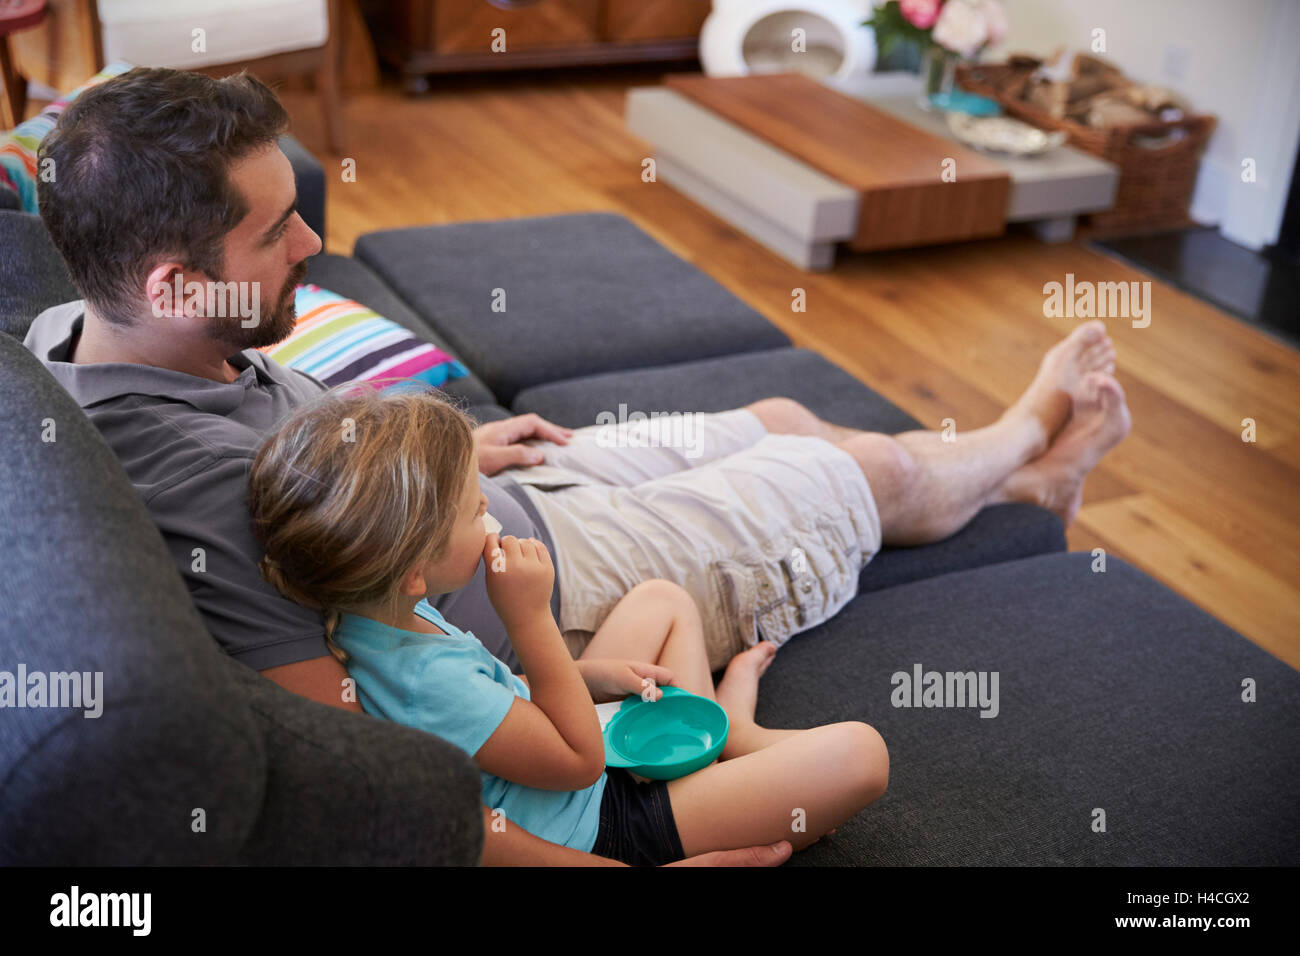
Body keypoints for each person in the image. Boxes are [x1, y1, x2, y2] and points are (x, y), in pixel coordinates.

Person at [24, 67, 1129, 863]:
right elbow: (359, 745)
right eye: (277, 235)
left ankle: (1021, 488)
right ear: (175, 285)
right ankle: (1020, 444)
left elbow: (337, 464)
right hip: (531, 561)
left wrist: (451, 444)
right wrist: (524, 610)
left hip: (473, 488)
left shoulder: (71, 330)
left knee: (785, 409)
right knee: (860, 473)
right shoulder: (200, 493)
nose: (313, 247)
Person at [247, 386, 888, 864]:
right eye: (478, 510)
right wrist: (527, 617)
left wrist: (590, 673)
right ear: (416, 570)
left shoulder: (372, 621)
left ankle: (724, 738)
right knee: (862, 754)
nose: (492, 517)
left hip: (558, 761)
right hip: (601, 823)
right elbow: (579, 761)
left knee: (662, 599)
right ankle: (729, 742)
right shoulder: (422, 679)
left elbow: (491, 699)